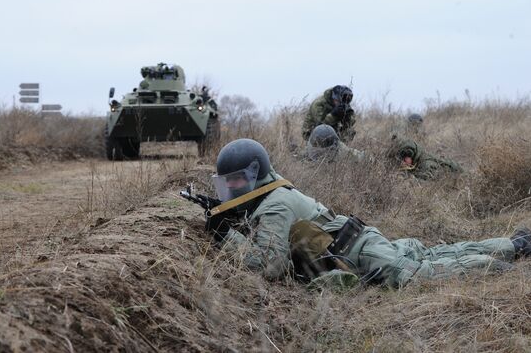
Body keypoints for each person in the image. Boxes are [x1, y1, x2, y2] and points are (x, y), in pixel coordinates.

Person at [203, 138, 530, 289]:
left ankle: (497, 264)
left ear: (254, 174)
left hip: (360, 252)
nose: (231, 188)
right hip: (360, 243)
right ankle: (514, 244)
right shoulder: (272, 193)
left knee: (420, 275)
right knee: (432, 254)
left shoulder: (274, 202)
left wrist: (225, 235)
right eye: (227, 182)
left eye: (235, 180)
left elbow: (268, 265)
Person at [388, 135, 462, 180]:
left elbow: (426, 182)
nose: (402, 162)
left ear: (412, 156)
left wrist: (407, 179)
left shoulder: (426, 164)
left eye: (404, 159)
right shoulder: (415, 159)